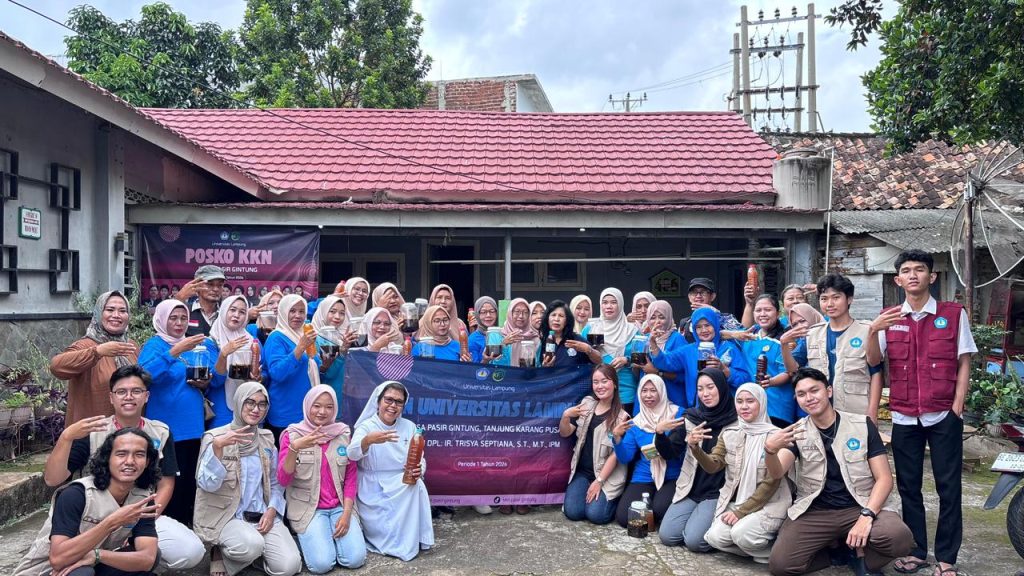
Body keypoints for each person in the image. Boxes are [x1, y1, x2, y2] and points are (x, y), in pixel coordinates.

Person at [865, 250, 976, 576]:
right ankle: (916, 551)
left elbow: (964, 360)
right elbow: (874, 361)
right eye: (907, 271)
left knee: (948, 488)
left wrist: (958, 404)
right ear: (898, 280)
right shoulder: (888, 317)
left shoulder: (953, 314)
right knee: (909, 487)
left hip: (943, 415)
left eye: (920, 270)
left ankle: (946, 557)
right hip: (904, 416)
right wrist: (872, 330)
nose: (913, 275)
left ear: (932, 276)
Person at [42, 365, 205, 572]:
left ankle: (120, 562)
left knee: (190, 550)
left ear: (146, 396)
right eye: (121, 392)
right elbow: (53, 479)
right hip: (91, 517)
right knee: (74, 564)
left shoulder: (161, 432)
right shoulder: (93, 431)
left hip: (139, 511)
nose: (129, 397)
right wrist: (66, 438)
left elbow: (166, 483)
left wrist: (142, 521)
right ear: (111, 397)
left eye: (136, 391)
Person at [765, 368, 913, 576]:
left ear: (829, 391)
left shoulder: (862, 425)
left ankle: (861, 557)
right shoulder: (796, 431)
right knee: (781, 565)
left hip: (860, 503)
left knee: (899, 538)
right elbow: (777, 472)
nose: (809, 398)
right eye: (801, 394)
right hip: (817, 510)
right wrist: (770, 451)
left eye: (814, 390)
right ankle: (839, 552)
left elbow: (884, 479)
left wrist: (867, 515)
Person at [14, 428, 162, 576]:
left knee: (151, 556)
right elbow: (58, 559)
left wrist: (98, 555)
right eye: (121, 454)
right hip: (47, 571)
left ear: (147, 462)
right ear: (107, 458)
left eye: (139, 455)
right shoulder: (76, 494)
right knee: (82, 572)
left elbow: (148, 558)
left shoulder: (142, 499)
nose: (130, 461)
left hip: (90, 562)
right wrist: (112, 522)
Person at [194, 382, 300, 576]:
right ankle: (219, 551)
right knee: (252, 544)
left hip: (260, 514)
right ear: (238, 402)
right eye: (249, 402)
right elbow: (207, 485)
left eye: (262, 404)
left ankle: (250, 558)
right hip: (228, 516)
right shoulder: (215, 437)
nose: (256, 409)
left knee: (289, 566)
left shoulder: (266, 438)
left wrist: (272, 510)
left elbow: (275, 482)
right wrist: (218, 449)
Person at [692, 383, 791, 564]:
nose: (744, 406)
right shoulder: (730, 433)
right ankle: (758, 552)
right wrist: (695, 448)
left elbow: (771, 482)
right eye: (739, 401)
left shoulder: (777, 436)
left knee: (741, 534)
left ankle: (774, 552)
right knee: (714, 538)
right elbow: (713, 466)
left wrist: (741, 513)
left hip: (770, 503)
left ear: (761, 402)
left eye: (750, 401)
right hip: (738, 502)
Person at [278, 386, 366, 573]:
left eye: (329, 407)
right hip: (308, 509)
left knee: (356, 559)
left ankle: (326, 538)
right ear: (307, 406)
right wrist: (295, 448)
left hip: (339, 507)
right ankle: (313, 539)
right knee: (321, 565)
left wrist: (347, 514)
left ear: (335, 409)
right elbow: (283, 479)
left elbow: (351, 477)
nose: (322, 412)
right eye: (316, 406)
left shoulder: (343, 434)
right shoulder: (293, 435)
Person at [138, 299, 209, 527]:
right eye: (173, 318)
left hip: (193, 424)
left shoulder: (192, 344)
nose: (179, 323)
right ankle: (166, 527)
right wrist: (174, 352)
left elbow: (203, 373)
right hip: (166, 426)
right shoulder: (155, 345)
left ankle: (187, 527)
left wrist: (204, 382)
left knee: (189, 479)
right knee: (168, 479)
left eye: (183, 318)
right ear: (161, 319)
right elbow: (143, 376)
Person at [348, 381, 434, 561]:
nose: (393, 405)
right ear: (378, 401)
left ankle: (413, 540)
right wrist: (368, 441)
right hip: (373, 485)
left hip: (401, 481)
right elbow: (352, 454)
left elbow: (420, 457)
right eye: (388, 400)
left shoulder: (409, 426)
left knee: (416, 484)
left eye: (398, 402)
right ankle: (394, 543)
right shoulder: (366, 426)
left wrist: (419, 469)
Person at [655, 368, 738, 552]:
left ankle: (712, 529)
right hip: (692, 487)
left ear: (722, 387)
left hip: (719, 491)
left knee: (694, 542)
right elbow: (670, 452)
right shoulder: (692, 417)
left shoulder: (737, 421)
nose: (705, 393)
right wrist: (660, 434)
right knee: (667, 536)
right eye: (700, 389)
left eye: (710, 387)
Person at [50, 291, 138, 426]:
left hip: (127, 431)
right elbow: (56, 367)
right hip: (93, 431)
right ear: (98, 313)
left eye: (122, 311)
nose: (116, 315)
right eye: (110, 310)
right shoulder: (85, 345)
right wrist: (97, 352)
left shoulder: (131, 346)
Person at [560, 364, 629, 525]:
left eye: (604, 381)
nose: (599, 386)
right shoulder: (586, 404)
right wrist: (565, 417)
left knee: (596, 515)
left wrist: (599, 481)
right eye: (595, 382)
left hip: (607, 475)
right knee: (573, 512)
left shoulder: (623, 417)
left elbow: (615, 456)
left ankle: (613, 501)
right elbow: (565, 432)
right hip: (583, 472)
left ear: (614, 384)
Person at [805, 273, 882, 418]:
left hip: (856, 412)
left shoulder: (867, 331)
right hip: (821, 414)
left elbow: (876, 373)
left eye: (836, 297)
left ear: (849, 299)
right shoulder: (812, 334)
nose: (830, 304)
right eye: (824, 299)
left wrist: (872, 413)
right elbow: (795, 369)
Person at [611, 374, 682, 528]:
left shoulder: (677, 414)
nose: (648, 395)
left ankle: (655, 508)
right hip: (644, 475)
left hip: (672, 475)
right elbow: (625, 457)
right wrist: (616, 437)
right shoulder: (636, 423)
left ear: (661, 391)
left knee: (659, 509)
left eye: (653, 390)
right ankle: (651, 509)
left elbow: (679, 451)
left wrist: (661, 434)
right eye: (644, 391)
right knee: (624, 517)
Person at [650, 307, 752, 406]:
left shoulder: (729, 348)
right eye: (698, 327)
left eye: (707, 325)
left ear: (715, 325)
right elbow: (664, 362)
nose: (704, 330)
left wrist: (725, 370)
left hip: (725, 410)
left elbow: (745, 380)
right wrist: (653, 344)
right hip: (698, 410)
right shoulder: (688, 351)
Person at [264, 294, 321, 442]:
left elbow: (314, 365)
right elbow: (277, 373)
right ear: (284, 312)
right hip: (285, 413)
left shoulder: (306, 334)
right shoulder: (276, 337)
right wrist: (300, 347)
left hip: (307, 411)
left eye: (301, 311)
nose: (297, 315)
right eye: (292, 311)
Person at [208, 295, 262, 428]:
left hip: (250, 406)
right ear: (223, 311)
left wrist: (258, 377)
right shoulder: (212, 341)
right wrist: (223, 354)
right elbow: (215, 381)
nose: (236, 315)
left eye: (242, 312)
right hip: (222, 408)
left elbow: (264, 371)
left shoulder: (251, 341)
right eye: (232, 310)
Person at [582, 288, 638, 413]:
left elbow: (643, 359)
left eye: (613, 302)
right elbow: (581, 359)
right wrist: (592, 351)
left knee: (623, 424)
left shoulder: (632, 331)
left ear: (620, 304)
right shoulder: (591, 329)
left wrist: (627, 360)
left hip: (625, 391)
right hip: (599, 390)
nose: (608, 306)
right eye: (605, 302)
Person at [744, 295, 796, 427]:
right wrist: (748, 304)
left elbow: (788, 373)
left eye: (767, 310)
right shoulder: (749, 335)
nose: (762, 314)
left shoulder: (784, 340)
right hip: (751, 406)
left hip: (776, 408)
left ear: (778, 313)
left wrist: (770, 382)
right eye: (758, 310)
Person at [310, 294, 356, 404]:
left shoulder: (340, 337)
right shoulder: (314, 338)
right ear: (323, 311)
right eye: (332, 311)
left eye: (342, 313)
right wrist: (343, 351)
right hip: (325, 400)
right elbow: (328, 374)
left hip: (343, 397)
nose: (337, 317)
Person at [638, 301, 686, 407]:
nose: (657, 322)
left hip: (672, 397)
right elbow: (637, 369)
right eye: (652, 318)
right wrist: (634, 363)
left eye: (661, 317)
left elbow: (683, 376)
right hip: (648, 399)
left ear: (668, 318)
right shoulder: (644, 339)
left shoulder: (677, 339)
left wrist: (657, 372)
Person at [677, 278, 745, 343]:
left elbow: (741, 334)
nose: (698, 296)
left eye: (703, 292)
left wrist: (715, 312)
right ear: (689, 297)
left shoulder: (726, 317)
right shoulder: (685, 322)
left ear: (712, 296)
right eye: (694, 292)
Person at [538, 300, 602, 368]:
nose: (556, 319)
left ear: (567, 320)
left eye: (561, 316)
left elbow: (599, 361)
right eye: (553, 315)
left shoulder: (576, 340)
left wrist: (589, 350)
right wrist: (545, 368)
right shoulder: (542, 342)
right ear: (547, 318)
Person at [175, 265, 226, 337]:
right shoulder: (184, 310)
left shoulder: (226, 314)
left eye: (220, 285)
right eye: (210, 284)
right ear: (197, 286)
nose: (216, 289)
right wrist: (178, 299)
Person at [500, 298, 540, 368]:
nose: (521, 316)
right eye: (517, 311)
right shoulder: (499, 335)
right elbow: (493, 363)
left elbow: (538, 365)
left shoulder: (535, 338)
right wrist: (503, 344)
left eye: (525, 312)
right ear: (510, 313)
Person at [469, 296, 499, 363]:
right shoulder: (472, 340)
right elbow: (474, 368)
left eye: (492, 311)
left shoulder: (500, 335)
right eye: (483, 312)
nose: (488, 315)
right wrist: (485, 360)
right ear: (477, 314)